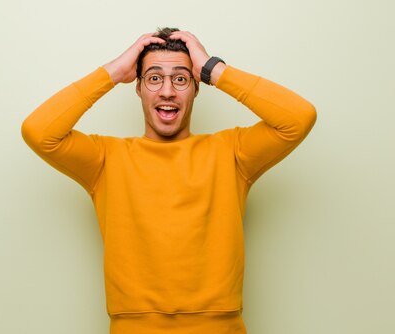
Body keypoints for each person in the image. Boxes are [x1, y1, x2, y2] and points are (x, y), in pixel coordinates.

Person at [22, 28, 316, 334]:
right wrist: (113, 72)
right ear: (137, 87)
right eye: (153, 78)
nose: (167, 91)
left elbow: (298, 118)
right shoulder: (104, 159)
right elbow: (39, 132)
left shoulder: (233, 153)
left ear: (196, 87)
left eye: (180, 78)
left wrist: (215, 69)